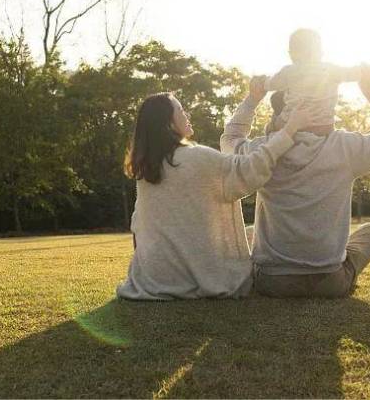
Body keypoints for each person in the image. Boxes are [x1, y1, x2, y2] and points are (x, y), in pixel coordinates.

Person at [221, 65, 370, 298]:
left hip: (272, 282)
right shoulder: (344, 148)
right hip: (330, 282)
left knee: (251, 233)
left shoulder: (265, 150)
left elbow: (229, 140)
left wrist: (252, 100)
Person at [116, 91, 314, 300]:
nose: (186, 115)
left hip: (152, 277)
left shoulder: (147, 170)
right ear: (168, 123)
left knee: (252, 233)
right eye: (180, 110)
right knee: (263, 238)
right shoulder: (197, 158)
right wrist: (290, 129)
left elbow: (138, 226)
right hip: (195, 277)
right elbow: (250, 169)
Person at [262, 28, 365, 136]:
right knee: (279, 97)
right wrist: (364, 69)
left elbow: (270, 84)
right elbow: (352, 73)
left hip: (294, 125)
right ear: (319, 52)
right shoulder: (330, 70)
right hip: (324, 127)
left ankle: (272, 128)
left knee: (276, 101)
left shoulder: (289, 71)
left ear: (292, 54)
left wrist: (262, 81)